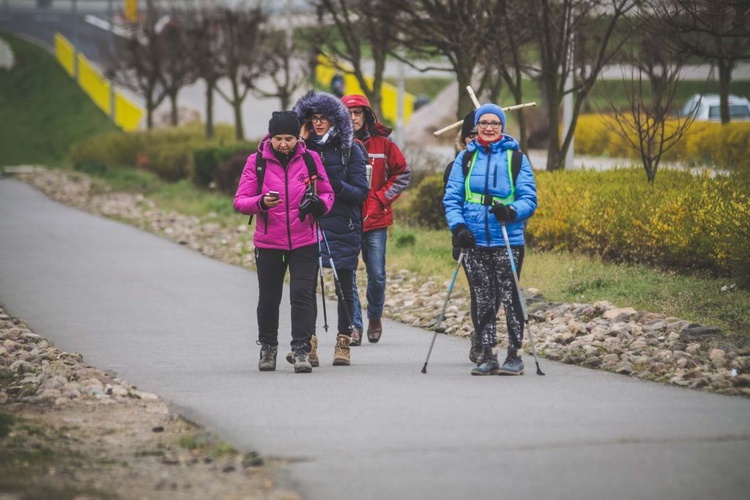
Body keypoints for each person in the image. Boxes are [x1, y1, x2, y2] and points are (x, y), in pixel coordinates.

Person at [233, 111, 334, 374]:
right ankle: (268, 347)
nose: (284, 144)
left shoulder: (311, 160)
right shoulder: (257, 162)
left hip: (305, 240)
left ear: (298, 136)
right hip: (269, 242)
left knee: (302, 296)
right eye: (278, 138)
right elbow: (240, 200)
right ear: (271, 137)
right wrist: (260, 202)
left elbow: (327, 192)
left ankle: (301, 349)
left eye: (289, 138)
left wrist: (319, 204)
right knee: (269, 298)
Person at [443, 103, 538, 376]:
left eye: (494, 123)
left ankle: (515, 356)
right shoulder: (465, 159)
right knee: (483, 299)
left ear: (502, 127)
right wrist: (459, 228)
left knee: (510, 298)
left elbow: (529, 199)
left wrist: (511, 211)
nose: (488, 128)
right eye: (483, 123)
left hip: (506, 236)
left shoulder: (515, 158)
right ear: (476, 128)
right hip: (474, 240)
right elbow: (452, 198)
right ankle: (488, 354)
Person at [293, 90, 368, 366]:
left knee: (344, 285)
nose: (319, 124)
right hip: (309, 223)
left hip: (342, 224)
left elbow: (361, 191)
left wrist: (332, 186)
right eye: (313, 118)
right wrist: (299, 141)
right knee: (307, 285)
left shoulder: (351, 150)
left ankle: (343, 341)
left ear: (335, 120)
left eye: (324, 118)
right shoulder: (301, 148)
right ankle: (308, 342)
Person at [341, 94, 411, 346]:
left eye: (358, 113)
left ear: (366, 116)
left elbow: (402, 174)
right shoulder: (335, 144)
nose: (353, 118)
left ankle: (375, 316)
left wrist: (381, 198)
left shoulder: (384, 144)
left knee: (378, 275)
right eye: (348, 113)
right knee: (347, 274)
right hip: (345, 221)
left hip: (376, 221)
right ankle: (355, 327)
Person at [442, 111, 481, 363]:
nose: (474, 140)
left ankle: (485, 332)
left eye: (478, 134)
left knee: (496, 292)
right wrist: (458, 235)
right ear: (463, 139)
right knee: (479, 290)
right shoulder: (456, 166)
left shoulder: (501, 162)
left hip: (497, 238)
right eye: (470, 136)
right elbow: (451, 204)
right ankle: (480, 338)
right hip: (467, 239)